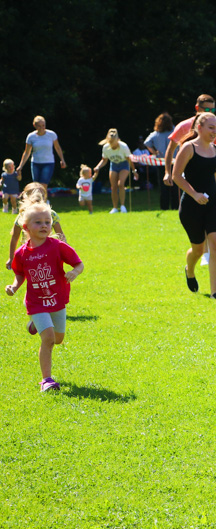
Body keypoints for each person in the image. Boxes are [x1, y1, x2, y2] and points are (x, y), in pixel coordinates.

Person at [5, 193, 83, 393]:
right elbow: (20, 274)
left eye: (47, 222)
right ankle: (46, 380)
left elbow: (79, 263)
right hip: (36, 302)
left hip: (57, 299)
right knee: (48, 339)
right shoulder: (21, 253)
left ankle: (34, 325)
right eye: (38, 222)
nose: (44, 225)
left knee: (58, 339)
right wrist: (14, 286)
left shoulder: (57, 246)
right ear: (26, 227)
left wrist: (74, 271)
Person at [172, 112, 216, 300]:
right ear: (199, 127)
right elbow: (176, 176)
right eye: (211, 128)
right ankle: (190, 270)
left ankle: (215, 292)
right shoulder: (189, 148)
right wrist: (195, 194)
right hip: (191, 205)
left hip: (213, 203)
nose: (215, 131)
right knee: (198, 249)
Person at [6, 183, 66, 270]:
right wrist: (11, 258)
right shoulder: (23, 215)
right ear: (26, 197)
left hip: (48, 251)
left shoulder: (50, 213)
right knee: (32, 278)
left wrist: (65, 252)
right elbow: (15, 237)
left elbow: (60, 234)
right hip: (28, 253)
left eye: (41, 194)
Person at [93, 129, 138, 214]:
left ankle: (123, 206)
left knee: (120, 184)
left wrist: (134, 171)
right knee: (113, 187)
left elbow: (129, 159)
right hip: (113, 165)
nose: (112, 145)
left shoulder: (123, 146)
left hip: (124, 164)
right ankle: (115, 208)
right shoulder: (106, 147)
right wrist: (98, 167)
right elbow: (104, 160)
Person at [18, 116, 66, 186]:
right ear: (35, 126)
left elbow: (57, 147)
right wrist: (20, 166)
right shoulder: (31, 136)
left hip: (48, 163)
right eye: (39, 126)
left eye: (43, 125)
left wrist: (62, 159)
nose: (42, 128)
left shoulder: (51, 134)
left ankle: (44, 197)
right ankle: (38, 197)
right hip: (35, 163)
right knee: (36, 185)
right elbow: (27, 152)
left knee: (43, 185)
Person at [145, 112, 177, 210]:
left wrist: (154, 152)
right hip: (174, 162)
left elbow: (147, 143)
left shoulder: (155, 134)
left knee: (163, 187)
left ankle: (164, 207)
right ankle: (175, 207)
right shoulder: (175, 131)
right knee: (175, 186)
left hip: (161, 162)